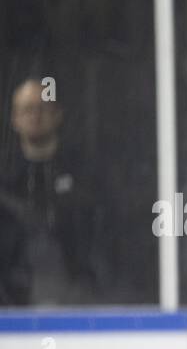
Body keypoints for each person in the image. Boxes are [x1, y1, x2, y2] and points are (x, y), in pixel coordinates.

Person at [0, 77, 107, 303]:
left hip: (80, 300)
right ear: (15, 119)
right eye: (27, 109)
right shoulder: (6, 183)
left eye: (43, 108)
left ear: (57, 115)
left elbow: (99, 242)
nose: (35, 116)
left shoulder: (84, 176)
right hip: (16, 304)